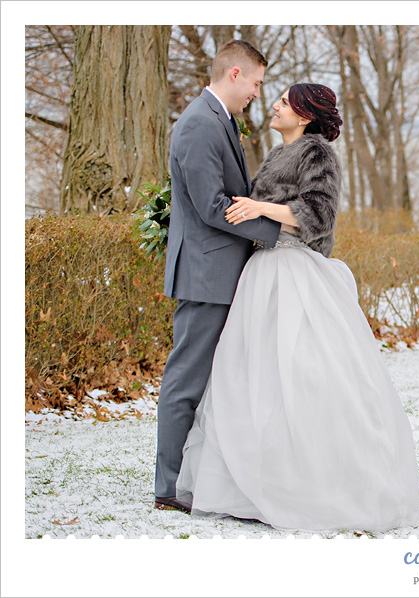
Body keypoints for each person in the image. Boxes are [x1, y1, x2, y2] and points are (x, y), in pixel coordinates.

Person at [174, 83, 419, 532]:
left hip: (295, 271)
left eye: (285, 102)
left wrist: (261, 207)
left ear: (306, 114)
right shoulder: (274, 154)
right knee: (252, 379)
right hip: (261, 272)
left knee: (303, 375)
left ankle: (315, 481)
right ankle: (252, 484)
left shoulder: (318, 155)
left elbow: (318, 216)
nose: (274, 105)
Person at [154, 40, 281, 514]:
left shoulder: (222, 121)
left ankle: (198, 476)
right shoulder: (198, 124)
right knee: (186, 380)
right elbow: (211, 206)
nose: (256, 92)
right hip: (207, 274)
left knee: (213, 382)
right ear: (234, 74)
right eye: (255, 83)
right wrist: (278, 228)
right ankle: (168, 486)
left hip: (223, 271)